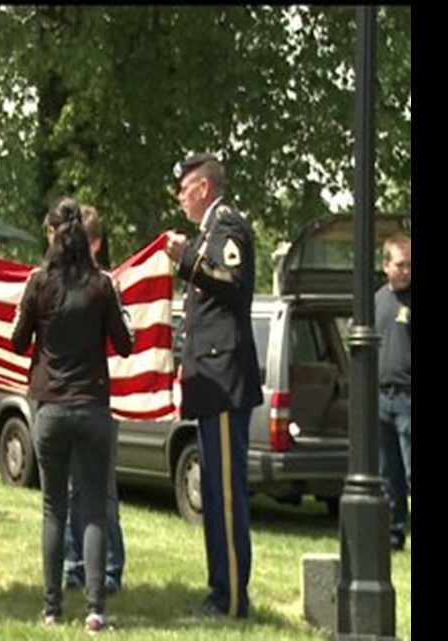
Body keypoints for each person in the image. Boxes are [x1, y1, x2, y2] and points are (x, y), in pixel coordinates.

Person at [12, 197, 134, 634]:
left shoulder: (38, 283)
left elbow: (16, 341)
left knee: (53, 509)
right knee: (95, 510)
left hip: (50, 407)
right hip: (93, 404)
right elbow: (125, 344)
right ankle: (96, 610)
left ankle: (52, 609)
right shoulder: (101, 285)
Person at [164, 152, 262, 619]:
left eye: (184, 189)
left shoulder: (226, 226)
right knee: (216, 494)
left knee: (224, 496)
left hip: (224, 380)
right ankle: (219, 589)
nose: (180, 197)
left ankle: (232, 599)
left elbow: (230, 281)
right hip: (210, 380)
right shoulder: (209, 231)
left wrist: (185, 258)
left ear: (203, 187)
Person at [62, 205, 126, 595]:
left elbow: (124, 341)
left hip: (102, 401)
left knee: (102, 489)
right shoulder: (58, 282)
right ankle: (74, 565)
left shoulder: (106, 285)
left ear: (98, 243)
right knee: (71, 489)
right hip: (68, 400)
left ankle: (110, 568)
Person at [376, 233, 410, 552]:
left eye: (410, 265)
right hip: (381, 398)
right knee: (388, 472)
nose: (407, 271)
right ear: (386, 265)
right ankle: (394, 531)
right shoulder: (376, 300)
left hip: (408, 399)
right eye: (401, 265)